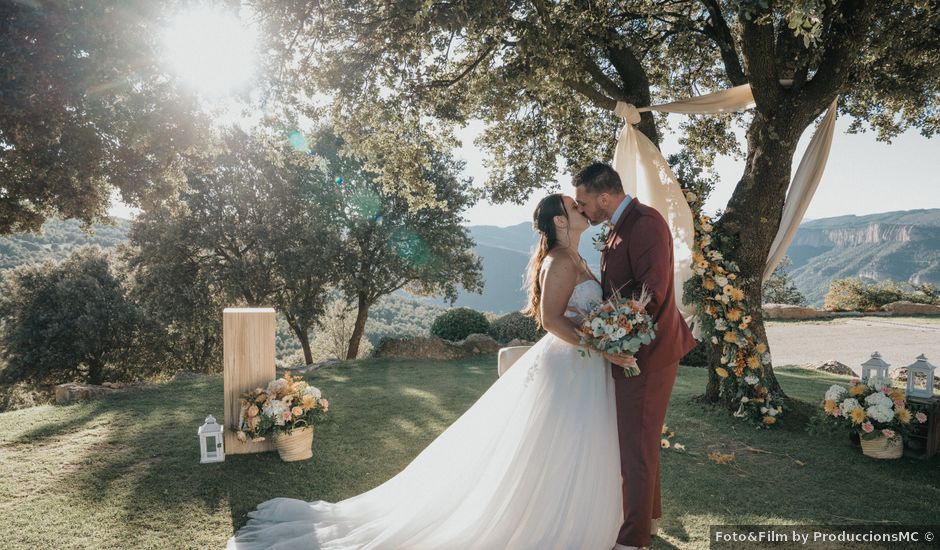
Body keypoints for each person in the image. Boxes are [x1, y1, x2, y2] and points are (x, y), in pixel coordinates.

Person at [227, 193, 637, 550]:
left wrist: (609, 333)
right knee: (553, 445)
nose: (581, 207)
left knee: (571, 444)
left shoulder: (577, 255)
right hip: (570, 363)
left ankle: (564, 514)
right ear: (560, 221)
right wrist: (599, 344)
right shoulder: (561, 260)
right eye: (572, 205)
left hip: (583, 367)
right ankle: (541, 522)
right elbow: (550, 320)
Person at [574, 161, 697, 550]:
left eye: (584, 201)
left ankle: (632, 542)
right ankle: (650, 522)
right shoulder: (617, 228)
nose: (581, 209)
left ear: (604, 197)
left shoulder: (644, 223)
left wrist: (613, 339)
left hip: (647, 354)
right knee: (640, 442)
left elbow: (653, 292)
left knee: (636, 449)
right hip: (635, 350)